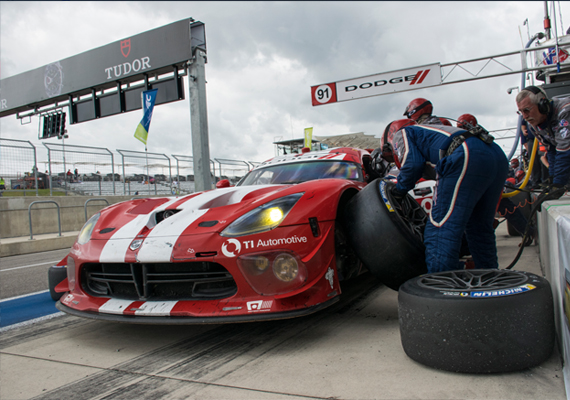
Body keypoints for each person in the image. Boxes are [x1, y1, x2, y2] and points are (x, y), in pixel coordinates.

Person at [382, 119, 508, 273]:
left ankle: (441, 287)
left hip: (466, 153)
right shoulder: (431, 132)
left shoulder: (403, 133)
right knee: (479, 227)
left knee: (440, 231)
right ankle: (489, 278)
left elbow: (412, 165)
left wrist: (398, 191)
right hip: (496, 154)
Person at [515, 85, 570, 198]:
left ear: (542, 106)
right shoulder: (533, 126)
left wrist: (558, 184)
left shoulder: (565, 110)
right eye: (521, 112)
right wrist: (552, 180)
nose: (524, 116)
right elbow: (551, 150)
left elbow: (564, 152)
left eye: (527, 110)